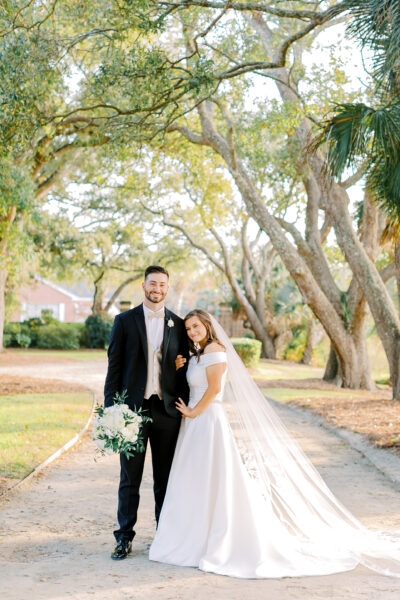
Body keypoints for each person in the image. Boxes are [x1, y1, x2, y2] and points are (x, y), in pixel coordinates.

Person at [149, 309, 400, 579]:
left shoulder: (216, 350)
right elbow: (195, 384)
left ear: (207, 326)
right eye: (188, 329)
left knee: (214, 479)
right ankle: (194, 535)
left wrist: (194, 411)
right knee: (196, 479)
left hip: (209, 421)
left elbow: (213, 390)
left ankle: (216, 537)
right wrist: (182, 369)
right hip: (195, 424)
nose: (191, 332)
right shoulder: (198, 353)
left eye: (196, 327)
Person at [104, 265, 189, 560]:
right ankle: (124, 537)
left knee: (164, 478)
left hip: (166, 411)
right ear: (143, 286)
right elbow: (113, 368)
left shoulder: (178, 324)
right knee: (130, 477)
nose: (157, 288)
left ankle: (163, 537)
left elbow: (188, 366)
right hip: (132, 412)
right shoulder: (124, 321)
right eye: (153, 283)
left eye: (163, 284)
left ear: (168, 288)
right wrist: (111, 411)